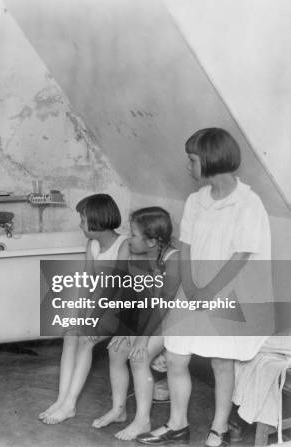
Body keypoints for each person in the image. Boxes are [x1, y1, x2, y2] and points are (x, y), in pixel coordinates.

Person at [136, 128, 272, 447]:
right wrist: (191, 286)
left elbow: (241, 255)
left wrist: (209, 291)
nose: (188, 167)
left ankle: (219, 427)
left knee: (221, 361)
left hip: (227, 290)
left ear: (210, 159)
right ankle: (177, 424)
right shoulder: (196, 200)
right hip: (194, 286)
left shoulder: (247, 203)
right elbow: (185, 246)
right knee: (176, 356)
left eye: (192, 160)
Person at [39, 193, 129, 425]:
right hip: (100, 305)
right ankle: (61, 400)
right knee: (70, 335)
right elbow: (87, 282)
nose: (80, 225)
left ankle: (70, 404)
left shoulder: (124, 245)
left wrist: (91, 319)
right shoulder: (93, 244)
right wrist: (79, 314)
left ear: (97, 221)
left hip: (122, 308)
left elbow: (114, 288)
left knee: (86, 339)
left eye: (83, 220)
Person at [96, 207, 181, 440]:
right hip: (149, 316)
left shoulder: (173, 259)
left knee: (138, 356)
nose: (129, 238)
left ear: (152, 241)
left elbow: (163, 307)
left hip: (173, 321)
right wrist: (125, 328)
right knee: (116, 351)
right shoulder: (140, 256)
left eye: (133, 234)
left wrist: (142, 339)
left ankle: (143, 420)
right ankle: (118, 410)